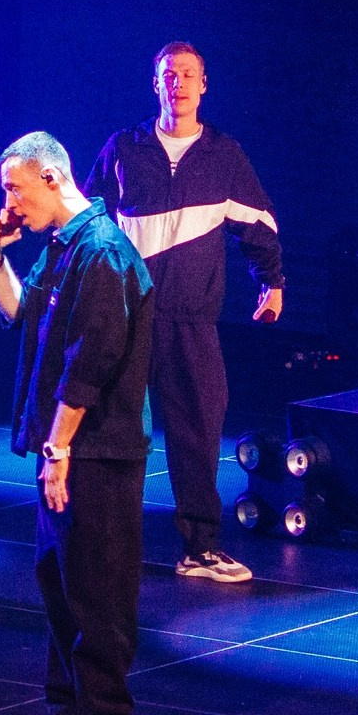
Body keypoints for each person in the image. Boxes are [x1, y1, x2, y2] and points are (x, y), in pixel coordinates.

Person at [0, 131, 154, 715]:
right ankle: (67, 711)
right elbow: (23, 315)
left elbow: (91, 362)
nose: (10, 203)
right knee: (59, 581)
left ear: (52, 178)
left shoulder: (103, 252)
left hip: (97, 449)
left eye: (15, 189)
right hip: (70, 446)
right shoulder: (62, 248)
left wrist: (59, 448)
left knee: (99, 587)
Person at [85, 44, 283, 583]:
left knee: (197, 429)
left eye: (188, 75)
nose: (178, 83)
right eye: (168, 75)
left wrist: (271, 284)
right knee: (112, 428)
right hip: (126, 314)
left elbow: (258, 224)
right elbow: (87, 222)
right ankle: (97, 540)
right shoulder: (124, 148)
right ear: (156, 84)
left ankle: (199, 549)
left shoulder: (224, 156)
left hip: (191, 320)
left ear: (204, 85)